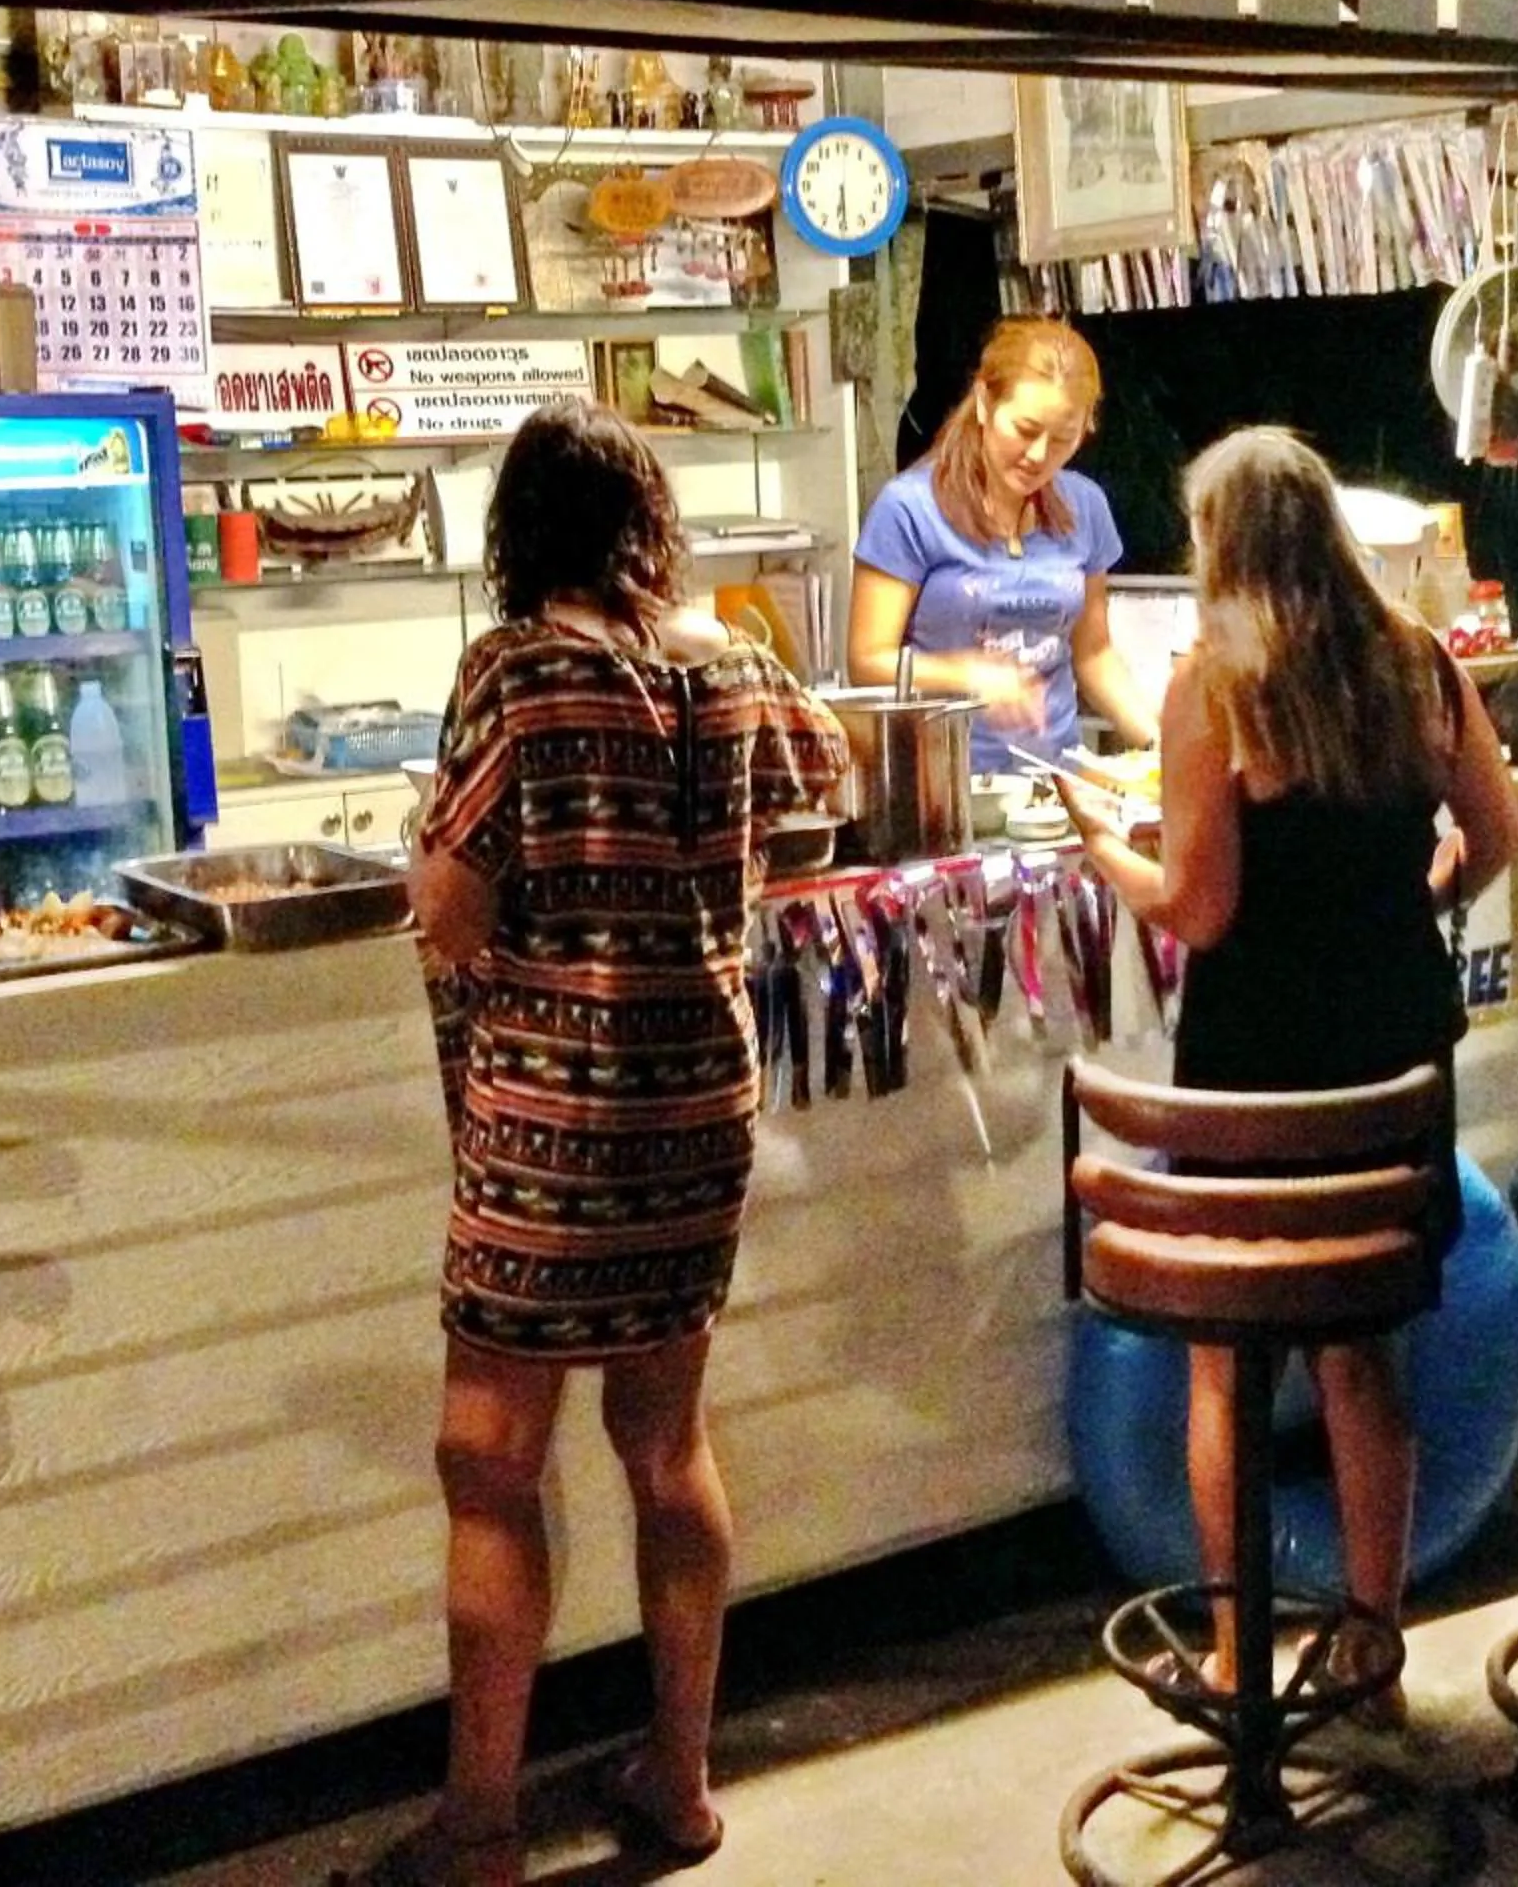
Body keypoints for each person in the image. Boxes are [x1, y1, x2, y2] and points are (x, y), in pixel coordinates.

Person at [395, 401, 848, 1887]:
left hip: (553, 1116)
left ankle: (477, 1827)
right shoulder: (730, 661)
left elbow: (453, 907)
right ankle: (681, 1777)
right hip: (696, 1106)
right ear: (645, 522)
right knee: (666, 1443)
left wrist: (442, 858)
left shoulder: (515, 674)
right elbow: (817, 814)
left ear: (519, 534)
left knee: (489, 1459)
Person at [1064, 427, 1518, 1715]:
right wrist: (1421, 890)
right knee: (1361, 1359)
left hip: (1258, 1074)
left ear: (1223, 549)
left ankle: (1232, 1648)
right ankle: (1375, 1644)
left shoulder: (1216, 685)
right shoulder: (1419, 662)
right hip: (1390, 1061)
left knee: (1226, 1363)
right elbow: (1495, 831)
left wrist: (1108, 849)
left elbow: (1203, 912)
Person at [850, 315, 1161, 772]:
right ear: (983, 403)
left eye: (1061, 439)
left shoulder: (1086, 506)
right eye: (1025, 429)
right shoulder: (909, 508)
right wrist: (967, 675)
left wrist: (1160, 748)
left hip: (1056, 782)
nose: (1038, 455)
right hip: (946, 781)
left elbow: (1093, 653)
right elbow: (867, 660)